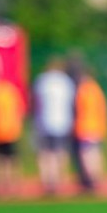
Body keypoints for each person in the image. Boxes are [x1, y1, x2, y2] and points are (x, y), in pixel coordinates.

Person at [32, 57, 76, 195]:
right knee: (60, 152)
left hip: (44, 122)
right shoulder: (66, 81)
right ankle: (59, 180)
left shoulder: (42, 81)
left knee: (46, 153)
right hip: (63, 122)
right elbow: (72, 102)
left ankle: (48, 182)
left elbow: (35, 102)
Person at [0, 75, 26, 198]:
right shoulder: (11, 92)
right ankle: (13, 184)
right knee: (11, 159)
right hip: (11, 131)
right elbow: (20, 111)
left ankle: (0, 185)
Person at [73, 64, 107, 193]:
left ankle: (92, 181)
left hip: (86, 127)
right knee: (95, 153)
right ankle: (97, 179)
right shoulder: (96, 89)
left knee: (87, 155)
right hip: (97, 126)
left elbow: (79, 108)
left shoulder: (85, 90)